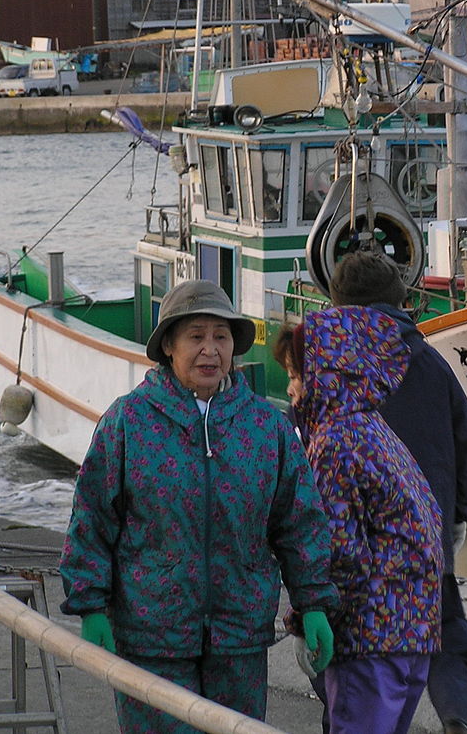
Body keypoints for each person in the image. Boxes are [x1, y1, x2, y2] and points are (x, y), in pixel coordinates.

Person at [59, 280, 338, 733]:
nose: (210, 350)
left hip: (240, 642)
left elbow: (299, 525)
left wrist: (315, 605)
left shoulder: (267, 428)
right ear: (168, 345)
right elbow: (91, 519)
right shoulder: (127, 423)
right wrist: (90, 606)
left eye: (221, 337)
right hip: (151, 641)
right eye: (196, 336)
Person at [329, 250, 467, 734]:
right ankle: (456, 716)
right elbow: (465, 441)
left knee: (345, 647)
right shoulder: (431, 362)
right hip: (425, 534)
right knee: (443, 628)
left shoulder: (327, 366)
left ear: (335, 304)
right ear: (401, 301)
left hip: (357, 544)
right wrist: (457, 514)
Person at [274, 306, 443, 734]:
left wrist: (304, 619)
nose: (291, 390)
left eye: (296, 375)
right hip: (412, 633)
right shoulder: (374, 428)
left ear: (326, 375)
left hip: (368, 640)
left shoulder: (333, 443)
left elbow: (339, 552)